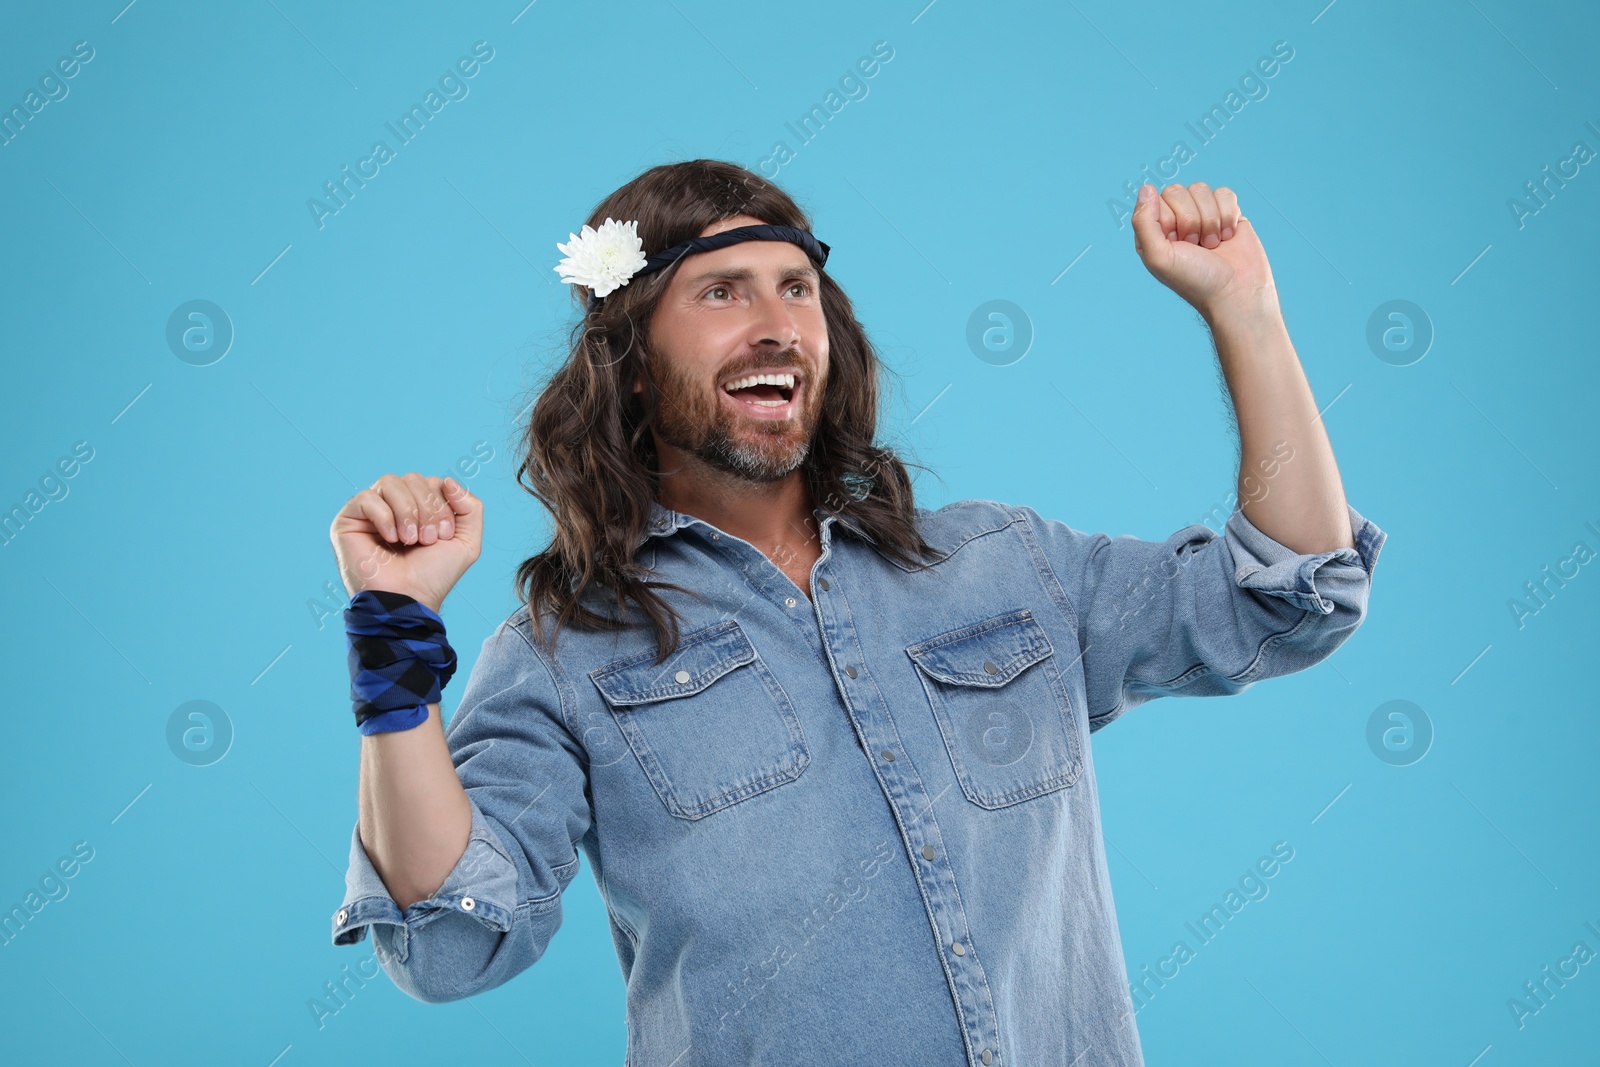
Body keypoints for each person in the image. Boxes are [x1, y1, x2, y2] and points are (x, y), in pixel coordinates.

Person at [326, 159, 1385, 1066]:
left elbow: (1289, 594)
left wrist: (1245, 311)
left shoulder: (1001, 562)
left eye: (797, 288)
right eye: (722, 293)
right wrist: (389, 632)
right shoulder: (565, 650)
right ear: (632, 365)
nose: (778, 324)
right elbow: (446, 938)